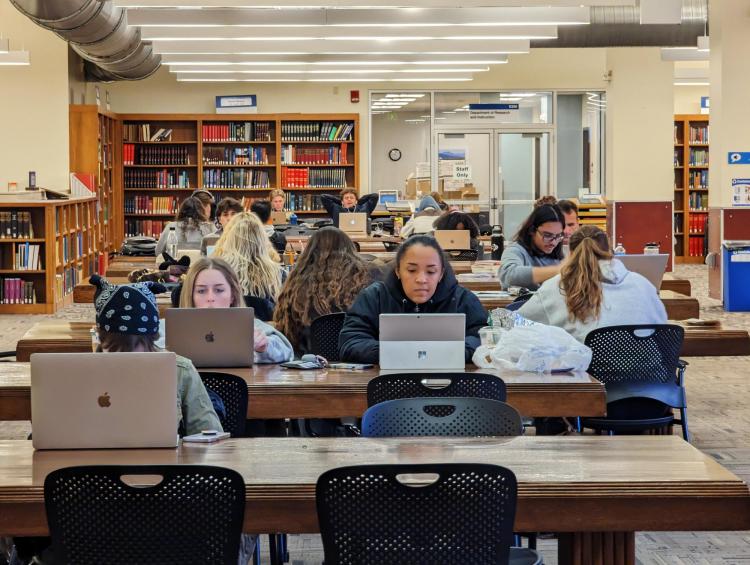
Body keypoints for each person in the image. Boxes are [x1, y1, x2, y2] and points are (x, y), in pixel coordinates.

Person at [89, 275, 222, 436]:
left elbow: (209, 436)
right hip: (95, 461)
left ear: (152, 339)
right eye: (116, 349)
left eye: (136, 348)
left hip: (167, 461)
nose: (127, 358)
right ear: (100, 338)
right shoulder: (81, 372)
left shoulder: (180, 370)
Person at [339, 235, 487, 364]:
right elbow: (351, 342)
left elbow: (484, 339)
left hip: (449, 383)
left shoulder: (463, 299)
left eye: (431, 271)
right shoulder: (374, 297)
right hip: (388, 383)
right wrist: (398, 352)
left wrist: (442, 352)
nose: (421, 279)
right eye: (411, 270)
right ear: (398, 270)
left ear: (441, 274)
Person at [517, 226, 667, 342]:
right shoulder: (643, 284)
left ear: (570, 253)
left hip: (588, 378)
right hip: (650, 377)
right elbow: (663, 331)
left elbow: (516, 323)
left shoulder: (557, 287)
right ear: (609, 251)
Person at [161, 257, 293, 363]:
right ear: (191, 295)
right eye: (201, 291)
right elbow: (149, 346)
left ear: (232, 295)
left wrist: (264, 347)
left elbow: (286, 351)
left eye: (219, 290)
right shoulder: (169, 327)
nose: (210, 298)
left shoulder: (250, 325)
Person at [274, 227, 377, 355]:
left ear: (309, 252)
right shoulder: (368, 280)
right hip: (359, 359)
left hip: (307, 363)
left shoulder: (295, 286)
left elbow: (286, 331)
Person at [212, 212, 283, 320]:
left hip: (225, 329)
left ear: (229, 238)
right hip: (269, 331)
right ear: (262, 239)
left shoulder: (217, 273)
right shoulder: (279, 275)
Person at [498, 204, 565, 291]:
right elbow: (509, 275)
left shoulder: (562, 254)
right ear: (532, 230)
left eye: (558, 236)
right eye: (547, 235)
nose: (553, 242)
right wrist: (559, 271)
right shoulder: (515, 250)